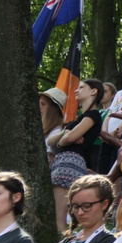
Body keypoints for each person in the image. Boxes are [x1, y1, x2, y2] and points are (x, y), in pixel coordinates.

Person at [47, 79, 104, 232]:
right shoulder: (77, 119)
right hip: (62, 161)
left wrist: (65, 138)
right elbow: (51, 141)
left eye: (81, 87)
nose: (76, 90)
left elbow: (67, 140)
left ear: (94, 91)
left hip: (70, 163)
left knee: (60, 218)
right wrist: (66, 133)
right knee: (58, 214)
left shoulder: (93, 115)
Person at [39, 87, 67, 163]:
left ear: (53, 110)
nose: (39, 107)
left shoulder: (57, 132)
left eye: (43, 104)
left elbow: (50, 160)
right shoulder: (40, 129)